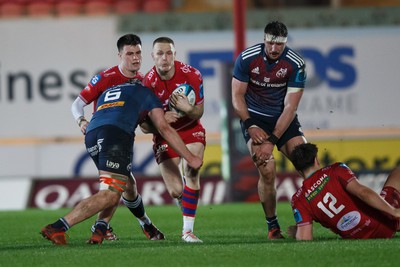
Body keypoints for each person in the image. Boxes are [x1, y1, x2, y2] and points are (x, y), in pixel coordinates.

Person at [41, 81, 203, 245]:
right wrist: (191, 158)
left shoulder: (110, 90)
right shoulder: (146, 93)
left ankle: (102, 229)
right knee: (110, 194)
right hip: (115, 135)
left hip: (92, 134)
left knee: (122, 186)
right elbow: (163, 129)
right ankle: (58, 227)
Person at [70, 34, 165, 242]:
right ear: (120, 55)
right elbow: (77, 103)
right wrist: (81, 121)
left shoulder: (142, 81)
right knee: (115, 187)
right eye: (129, 53)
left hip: (121, 136)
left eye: (138, 53)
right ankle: (100, 227)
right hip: (104, 135)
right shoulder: (106, 77)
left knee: (127, 185)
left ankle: (141, 225)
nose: (135, 58)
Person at [231, 21, 307, 239]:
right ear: (264, 39)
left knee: (309, 165)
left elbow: (291, 107)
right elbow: (237, 96)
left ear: (285, 43)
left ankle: (313, 220)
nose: (274, 49)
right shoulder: (247, 58)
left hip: (284, 120)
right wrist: (249, 124)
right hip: (254, 120)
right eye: (271, 43)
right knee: (267, 168)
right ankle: (273, 226)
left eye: (279, 44)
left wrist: (272, 140)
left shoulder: (296, 63)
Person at [141, 37, 206, 243]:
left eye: (169, 53)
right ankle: (186, 202)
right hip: (163, 134)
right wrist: (162, 119)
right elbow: (143, 127)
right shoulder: (147, 84)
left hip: (190, 129)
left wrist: (188, 109)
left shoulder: (192, 75)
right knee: (176, 189)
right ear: (153, 57)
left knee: (192, 170)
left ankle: (187, 231)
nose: (165, 58)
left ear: (175, 54)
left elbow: (199, 112)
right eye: (160, 54)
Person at [288, 143, 400, 240]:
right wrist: (393, 211)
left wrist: (297, 232)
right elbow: (362, 193)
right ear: (316, 159)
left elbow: (304, 238)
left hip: (357, 238)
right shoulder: (335, 170)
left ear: (297, 169)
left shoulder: (298, 199)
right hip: (384, 225)